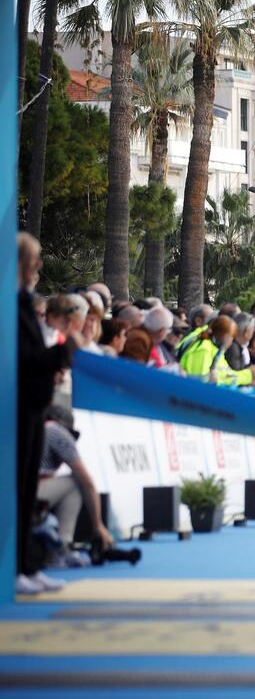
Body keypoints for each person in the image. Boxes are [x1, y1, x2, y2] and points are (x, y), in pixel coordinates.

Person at [16, 234, 74, 595]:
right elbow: (23, 358)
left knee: (27, 490)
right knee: (19, 489)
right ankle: (17, 565)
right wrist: (60, 354)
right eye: (34, 260)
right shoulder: (13, 305)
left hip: (34, 407)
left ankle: (27, 564)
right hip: (18, 408)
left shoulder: (23, 302)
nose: (39, 267)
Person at [38, 405, 114, 559]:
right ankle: (62, 548)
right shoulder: (56, 431)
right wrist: (98, 525)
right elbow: (88, 482)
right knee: (76, 482)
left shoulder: (39, 429)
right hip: (24, 495)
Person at [180, 316, 255, 387]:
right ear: (225, 336)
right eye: (231, 337)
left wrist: (249, 375)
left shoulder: (216, 349)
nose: (231, 342)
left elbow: (227, 373)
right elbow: (200, 383)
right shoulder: (203, 350)